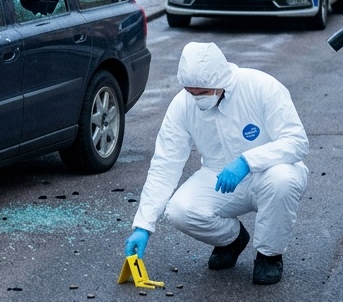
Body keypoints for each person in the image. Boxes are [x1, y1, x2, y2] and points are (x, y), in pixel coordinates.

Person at [124, 42, 309, 286]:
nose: (197, 99)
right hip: (217, 174)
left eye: (203, 93)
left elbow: (297, 142)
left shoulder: (260, 87)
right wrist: (143, 225)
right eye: (192, 92)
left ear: (221, 80)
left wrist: (247, 161)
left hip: (269, 172)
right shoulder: (183, 105)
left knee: (283, 181)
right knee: (180, 210)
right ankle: (231, 240)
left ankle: (269, 255)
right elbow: (165, 165)